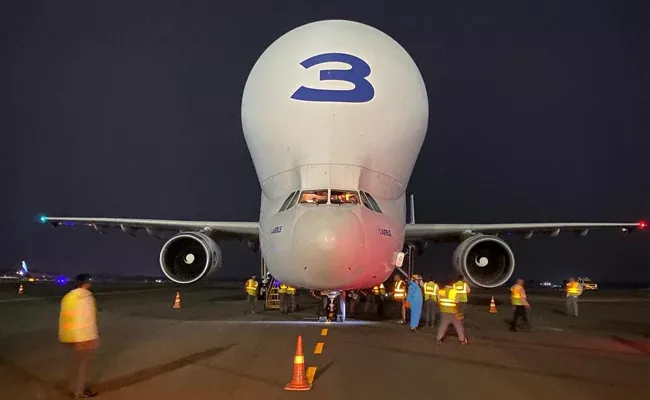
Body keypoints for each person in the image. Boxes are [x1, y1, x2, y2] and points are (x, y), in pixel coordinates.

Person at [59, 274, 99, 399]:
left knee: (74, 365)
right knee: (83, 366)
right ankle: (79, 392)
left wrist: (66, 335)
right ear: (86, 283)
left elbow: (64, 317)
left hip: (70, 335)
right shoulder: (87, 297)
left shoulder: (68, 297)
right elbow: (89, 320)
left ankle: (74, 388)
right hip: (84, 337)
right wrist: (94, 336)